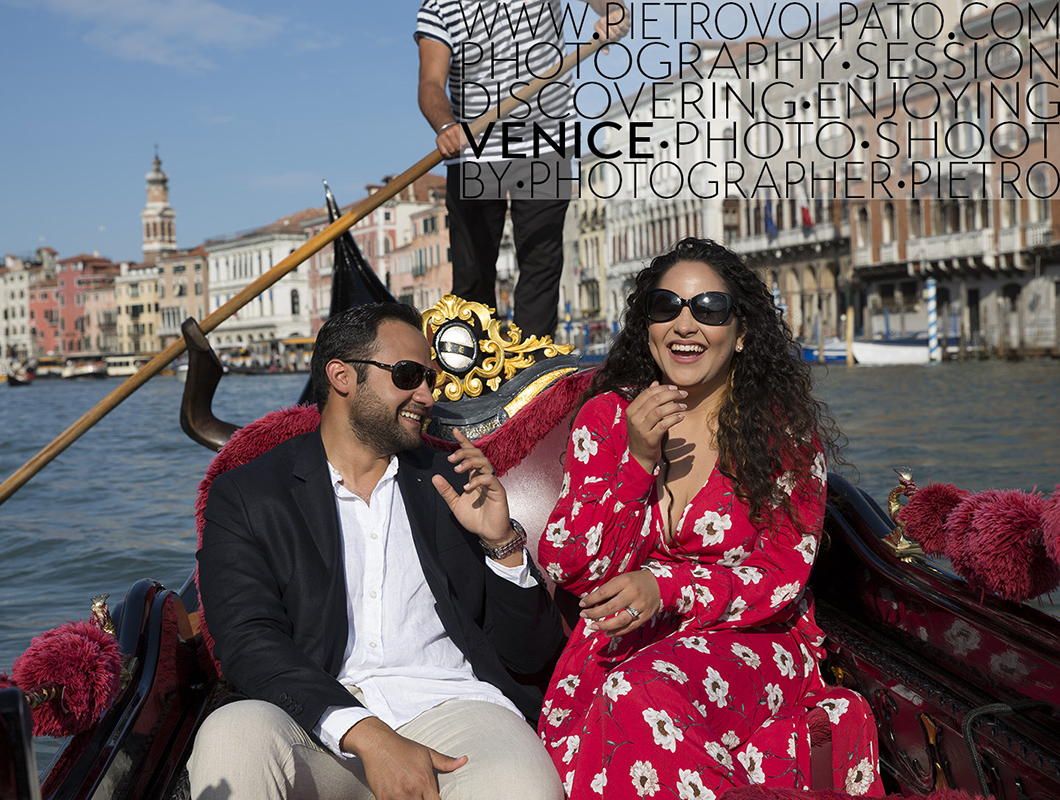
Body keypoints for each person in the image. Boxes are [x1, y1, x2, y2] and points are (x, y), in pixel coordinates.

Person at [536, 239, 882, 798]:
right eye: (665, 306)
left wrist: (666, 585)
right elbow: (572, 565)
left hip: (750, 640)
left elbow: (780, 575)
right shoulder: (606, 419)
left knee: (636, 695)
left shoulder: (782, 438)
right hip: (623, 641)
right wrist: (638, 462)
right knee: (619, 696)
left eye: (709, 309)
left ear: (741, 332)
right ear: (647, 325)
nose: (684, 324)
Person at [189, 302, 566, 800]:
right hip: (315, 718)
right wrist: (366, 734)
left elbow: (529, 655)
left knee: (522, 787)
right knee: (232, 734)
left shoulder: (455, 480)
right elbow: (247, 641)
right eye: (409, 376)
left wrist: (502, 545)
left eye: (430, 378)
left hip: (455, 713)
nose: (427, 396)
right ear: (342, 376)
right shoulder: (249, 494)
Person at [415, 0, 629, 339]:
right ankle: (475, 367)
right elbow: (430, 82)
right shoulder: (440, 5)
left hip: (547, 140)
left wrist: (614, 14)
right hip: (473, 148)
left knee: (541, 264)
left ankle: (534, 369)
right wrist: (445, 127)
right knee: (472, 276)